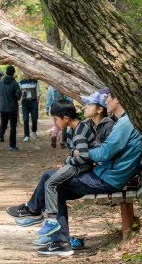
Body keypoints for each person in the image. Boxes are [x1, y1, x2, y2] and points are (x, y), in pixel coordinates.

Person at [5, 89, 142, 256]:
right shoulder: (124, 122)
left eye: (108, 98)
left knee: (51, 179)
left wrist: (80, 154)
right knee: (54, 184)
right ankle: (57, 238)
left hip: (107, 178)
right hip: (108, 174)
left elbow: (105, 153)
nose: (106, 101)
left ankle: (38, 216)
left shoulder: (125, 123)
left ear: (118, 100)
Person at [32, 100, 96, 241]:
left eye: (56, 119)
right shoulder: (73, 129)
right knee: (49, 179)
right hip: (80, 166)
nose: (55, 124)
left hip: (83, 168)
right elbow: (75, 150)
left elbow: (84, 156)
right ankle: (36, 212)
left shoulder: (79, 130)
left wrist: (68, 161)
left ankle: (50, 220)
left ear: (65, 118)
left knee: (50, 183)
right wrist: (72, 154)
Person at [0, 65, 22, 150]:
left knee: (3, 125)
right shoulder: (15, 83)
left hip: (2, 107)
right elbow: (18, 96)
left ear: (6, 72)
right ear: (13, 73)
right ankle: (12, 145)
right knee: (13, 127)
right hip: (12, 108)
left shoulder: (0, 83)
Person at [19, 73, 40, 142]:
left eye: (28, 73)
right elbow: (18, 93)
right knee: (25, 119)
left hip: (33, 101)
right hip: (25, 102)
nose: (27, 74)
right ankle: (26, 135)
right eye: (25, 73)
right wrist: (21, 92)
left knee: (34, 118)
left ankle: (34, 131)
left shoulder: (35, 81)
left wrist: (37, 102)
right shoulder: (21, 82)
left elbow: (38, 93)